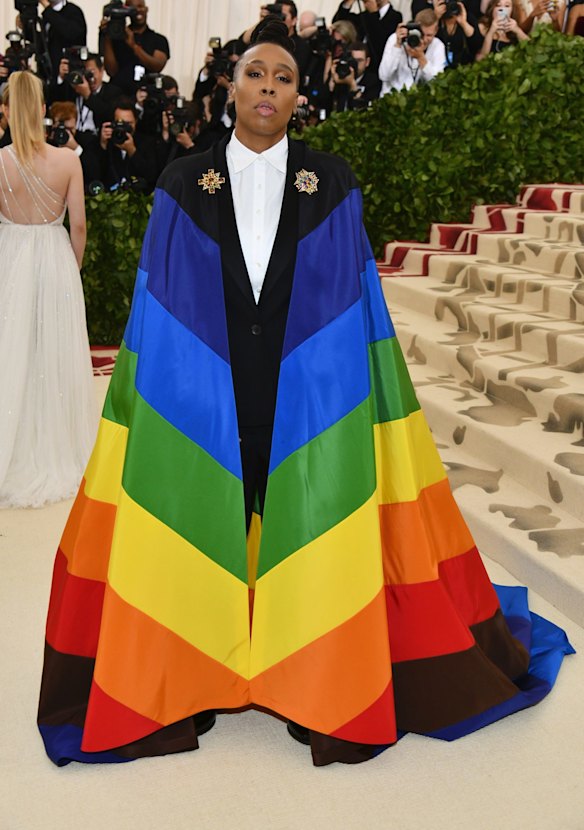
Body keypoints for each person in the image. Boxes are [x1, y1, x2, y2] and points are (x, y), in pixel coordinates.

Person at [37, 18, 573, 768]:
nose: (268, 88)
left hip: (309, 394)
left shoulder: (334, 181)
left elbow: (357, 302)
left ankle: (311, 673)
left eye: (283, 78)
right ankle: (195, 671)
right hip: (207, 394)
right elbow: (155, 310)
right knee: (204, 517)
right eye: (255, 74)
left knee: (310, 520)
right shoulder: (183, 182)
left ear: (299, 95)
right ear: (231, 86)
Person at [0, 71, 96, 508]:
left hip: (10, 255)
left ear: (5, 110)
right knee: (53, 354)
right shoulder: (68, 160)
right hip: (55, 257)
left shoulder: (0, 161)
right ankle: (55, 443)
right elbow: (78, 223)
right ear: (41, 109)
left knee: (11, 350)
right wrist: (69, 269)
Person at [100, 0, 170, 96]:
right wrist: (108, 36)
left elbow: (157, 66)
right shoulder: (117, 38)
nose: (138, 10)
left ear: (146, 9)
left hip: (147, 96)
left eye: (140, 6)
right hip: (119, 96)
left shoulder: (158, 39)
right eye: (133, 8)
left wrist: (134, 46)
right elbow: (111, 71)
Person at [98, 97, 158, 192]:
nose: (124, 128)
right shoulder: (106, 141)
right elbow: (95, 175)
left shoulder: (148, 143)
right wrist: (103, 146)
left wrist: (132, 151)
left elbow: (150, 177)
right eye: (120, 123)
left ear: (136, 122)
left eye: (129, 123)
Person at [379, 9, 446, 94]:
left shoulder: (437, 45)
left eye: (429, 35)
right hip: (391, 97)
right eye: (422, 34)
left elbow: (438, 82)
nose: (424, 40)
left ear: (436, 31)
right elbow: (384, 76)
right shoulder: (395, 39)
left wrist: (421, 59)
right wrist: (397, 47)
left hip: (418, 101)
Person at [333, 0, 403, 71]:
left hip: (375, 70)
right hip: (354, 66)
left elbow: (380, 41)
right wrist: (348, 2)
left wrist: (374, 13)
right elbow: (339, 24)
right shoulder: (363, 16)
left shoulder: (395, 17)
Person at [39, 0, 87, 86]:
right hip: (49, 74)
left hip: (70, 75)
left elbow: (70, 32)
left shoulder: (73, 11)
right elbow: (42, 41)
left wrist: (47, 8)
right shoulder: (47, 15)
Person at [434, 0, 484, 68]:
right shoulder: (432, 17)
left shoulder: (467, 17)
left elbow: (477, 46)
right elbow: (426, 41)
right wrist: (435, 19)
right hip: (437, 68)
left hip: (463, 68)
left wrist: (463, 23)